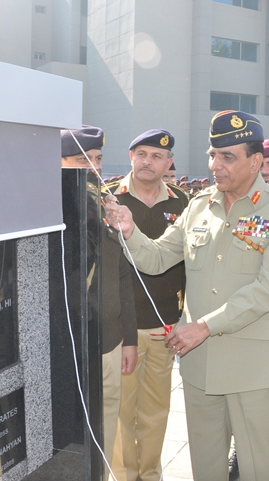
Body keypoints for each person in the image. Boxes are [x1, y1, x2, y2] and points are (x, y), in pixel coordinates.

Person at [104, 110, 269, 481]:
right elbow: (159, 257)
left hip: (252, 367)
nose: (215, 165)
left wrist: (204, 327)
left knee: (261, 469)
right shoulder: (199, 205)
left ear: (256, 160)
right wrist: (130, 230)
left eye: (228, 156)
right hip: (200, 367)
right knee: (207, 470)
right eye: (213, 155)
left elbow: (268, 290)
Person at [107, 129, 189, 481]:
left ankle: (151, 474)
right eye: (141, 154)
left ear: (169, 163)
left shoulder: (182, 203)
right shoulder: (110, 200)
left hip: (164, 323)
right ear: (130, 158)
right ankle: (124, 476)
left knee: (157, 410)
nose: (148, 161)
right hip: (121, 326)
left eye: (157, 156)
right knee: (122, 413)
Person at [60, 126, 138, 477]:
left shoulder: (107, 207)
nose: (93, 168)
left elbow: (124, 276)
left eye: (98, 159)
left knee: (104, 432)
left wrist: (129, 338)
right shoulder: (48, 209)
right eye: (82, 160)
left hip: (108, 341)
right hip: (70, 347)